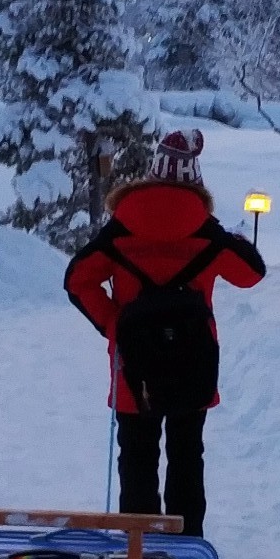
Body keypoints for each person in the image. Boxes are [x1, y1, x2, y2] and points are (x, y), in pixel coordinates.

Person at [64, 129, 265, 536]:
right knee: (187, 455)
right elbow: (251, 274)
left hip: (133, 365)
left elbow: (78, 280)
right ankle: (185, 547)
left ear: (150, 176)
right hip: (193, 362)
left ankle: (139, 548)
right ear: (196, 182)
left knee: (137, 457)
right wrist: (230, 236)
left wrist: (113, 324)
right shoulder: (207, 231)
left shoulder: (120, 227)